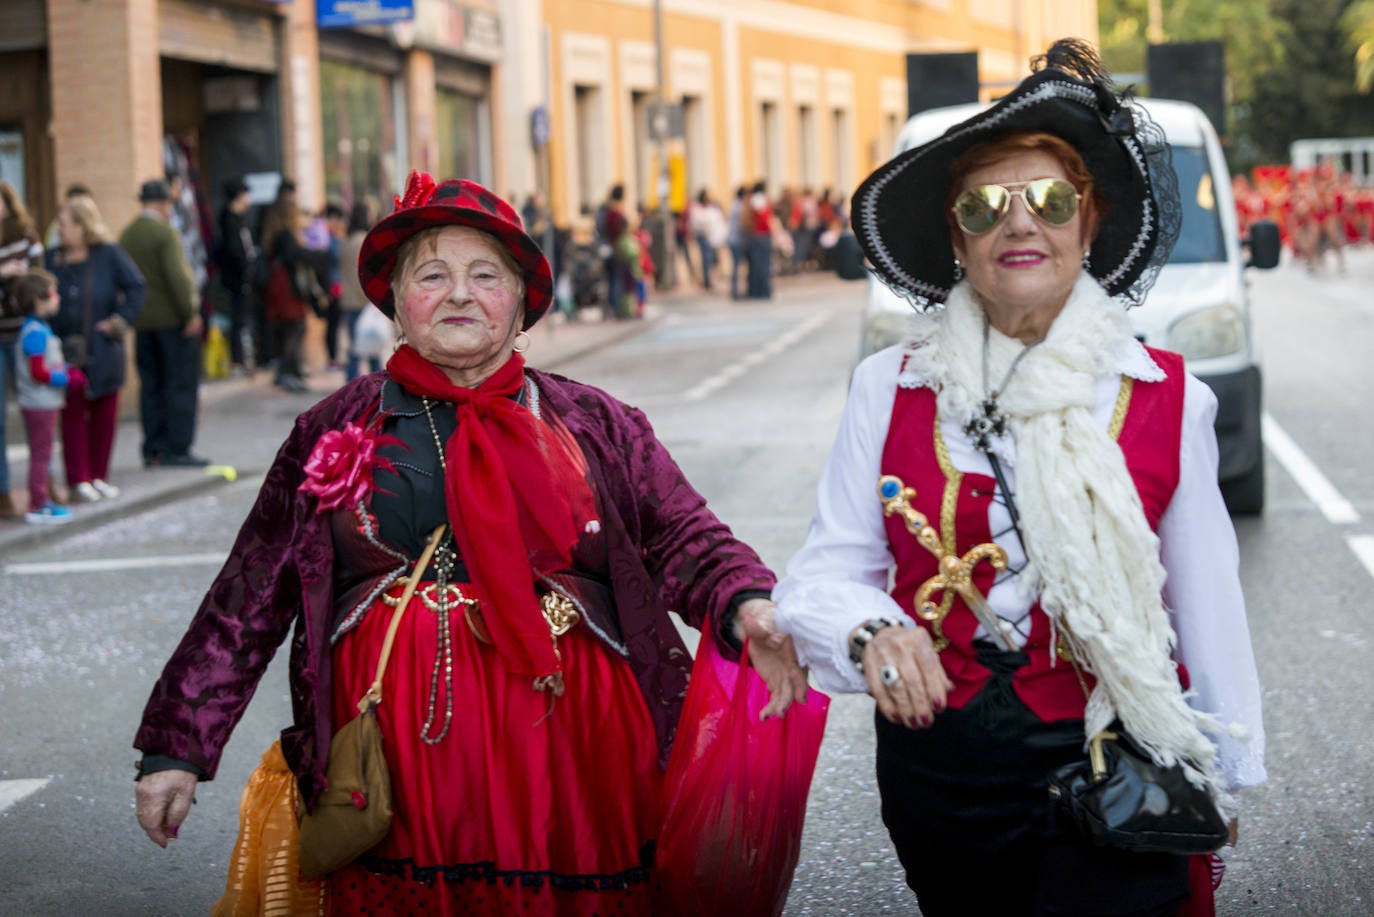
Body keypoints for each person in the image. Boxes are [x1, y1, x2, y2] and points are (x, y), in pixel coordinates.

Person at [132, 172, 806, 914]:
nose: (460, 294)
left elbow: (684, 533)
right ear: (396, 303)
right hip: (402, 766)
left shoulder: (593, 422)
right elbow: (249, 595)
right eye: (433, 275)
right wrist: (178, 749)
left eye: (485, 275)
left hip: (573, 758)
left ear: (520, 304)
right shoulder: (335, 427)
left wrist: (747, 601)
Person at [769, 40, 1265, 916]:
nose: (1020, 222)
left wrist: (1224, 775)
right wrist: (871, 634)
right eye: (985, 204)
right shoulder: (889, 387)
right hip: (941, 781)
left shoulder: (1166, 395)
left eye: (1049, 199)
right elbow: (823, 574)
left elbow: (1207, 601)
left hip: (1117, 756)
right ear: (957, 239)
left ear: (1089, 222)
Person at [45, 194, 146, 503]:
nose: (59, 230)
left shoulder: (108, 254)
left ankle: (99, 476)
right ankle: (78, 480)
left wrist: (119, 321)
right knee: (72, 416)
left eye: (64, 224)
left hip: (103, 348)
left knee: (104, 414)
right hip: (65, 352)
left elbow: (137, 287)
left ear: (82, 226)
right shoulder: (52, 260)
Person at [121, 179, 209, 469]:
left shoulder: (128, 234)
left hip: (143, 323)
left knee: (151, 386)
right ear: (161, 203)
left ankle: (152, 447)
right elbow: (178, 277)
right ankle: (177, 448)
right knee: (179, 384)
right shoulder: (164, 232)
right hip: (173, 322)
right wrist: (190, 313)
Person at [11, 269, 72, 525]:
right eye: (52, 293)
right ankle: (38, 502)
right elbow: (38, 371)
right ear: (39, 299)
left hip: (42, 402)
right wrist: (63, 377)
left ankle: (42, 499)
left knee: (43, 452)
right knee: (41, 453)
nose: (57, 298)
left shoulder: (38, 328)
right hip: (39, 403)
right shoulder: (35, 332)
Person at [0, 180, 44, 519]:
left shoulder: (25, 236)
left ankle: (42, 485)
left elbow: (40, 280)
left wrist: (21, 275)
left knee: (39, 411)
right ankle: (4, 493)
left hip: (25, 332)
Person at [260, 193, 325, 393]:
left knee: (288, 328)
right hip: (286, 286)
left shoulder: (273, 235)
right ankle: (288, 372)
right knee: (295, 327)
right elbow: (293, 257)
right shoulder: (286, 236)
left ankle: (288, 371)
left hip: (278, 285)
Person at [215, 177, 257, 372]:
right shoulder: (228, 221)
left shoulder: (238, 220)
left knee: (242, 319)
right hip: (235, 280)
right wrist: (244, 270)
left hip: (242, 278)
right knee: (237, 320)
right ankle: (237, 360)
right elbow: (233, 251)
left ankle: (242, 358)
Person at [339, 199, 382, 381]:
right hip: (362, 301)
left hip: (350, 300)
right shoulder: (362, 242)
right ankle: (375, 381)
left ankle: (355, 380)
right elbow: (362, 275)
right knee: (370, 344)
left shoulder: (347, 241)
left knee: (357, 346)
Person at [688, 188, 727, 293]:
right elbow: (696, 222)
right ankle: (707, 280)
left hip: (712, 236)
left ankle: (710, 279)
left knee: (712, 259)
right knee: (706, 258)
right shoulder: (697, 208)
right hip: (703, 236)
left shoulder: (712, 207)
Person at [743, 181, 773, 299]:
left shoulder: (751, 200)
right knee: (763, 265)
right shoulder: (760, 200)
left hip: (754, 235)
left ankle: (755, 291)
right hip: (762, 234)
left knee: (756, 265)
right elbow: (764, 219)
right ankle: (764, 291)